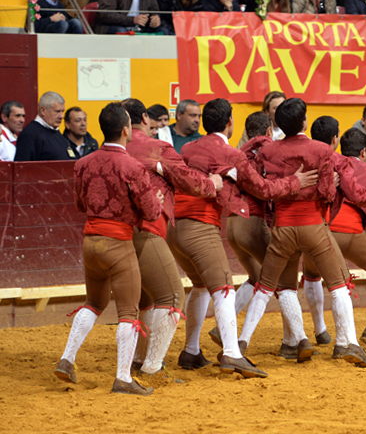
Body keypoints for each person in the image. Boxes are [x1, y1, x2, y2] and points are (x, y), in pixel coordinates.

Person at [167, 98, 313, 377]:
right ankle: (235, 352)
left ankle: (192, 351)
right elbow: (262, 188)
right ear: (230, 123)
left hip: (174, 227)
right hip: (201, 225)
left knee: (200, 287)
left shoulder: (187, 147)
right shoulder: (230, 153)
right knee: (224, 289)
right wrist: (296, 181)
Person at [243, 98, 366, 367]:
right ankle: (345, 344)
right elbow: (327, 193)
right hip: (314, 225)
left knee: (267, 287)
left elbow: (256, 182)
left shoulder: (269, 151)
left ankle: (239, 344)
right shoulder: (321, 150)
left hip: (282, 228)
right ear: (304, 122)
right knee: (338, 285)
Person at [53, 102, 162, 396]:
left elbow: (80, 205)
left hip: (91, 242)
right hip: (119, 244)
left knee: (94, 302)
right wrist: (159, 199)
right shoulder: (133, 167)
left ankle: (67, 359)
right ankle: (123, 378)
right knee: (128, 311)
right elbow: (151, 213)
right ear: (126, 130)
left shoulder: (83, 163)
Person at [120, 98, 221, 382]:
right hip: (146, 228)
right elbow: (187, 178)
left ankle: (137, 360)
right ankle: (152, 368)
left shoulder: (111, 149)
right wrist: (211, 184)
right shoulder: (156, 147)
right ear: (143, 117)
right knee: (172, 295)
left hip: (114, 233)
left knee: (143, 298)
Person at [303, 119, 366, 350]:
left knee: (311, 275)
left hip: (321, 229)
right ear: (364, 151)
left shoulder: (328, 159)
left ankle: (320, 331)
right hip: (352, 231)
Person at [15, 91, 76, 161]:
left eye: (62, 112)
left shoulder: (55, 132)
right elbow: (22, 168)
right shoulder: (30, 134)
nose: (61, 116)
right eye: (57, 111)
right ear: (43, 110)